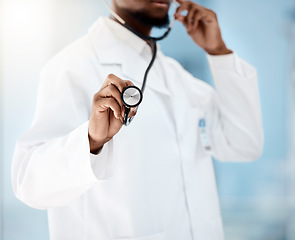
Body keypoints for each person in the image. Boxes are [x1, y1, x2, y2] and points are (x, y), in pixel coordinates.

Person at [12, 0, 263, 239]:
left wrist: (219, 52)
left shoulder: (178, 78)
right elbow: (29, 185)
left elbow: (243, 144)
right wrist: (91, 140)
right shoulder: (72, 67)